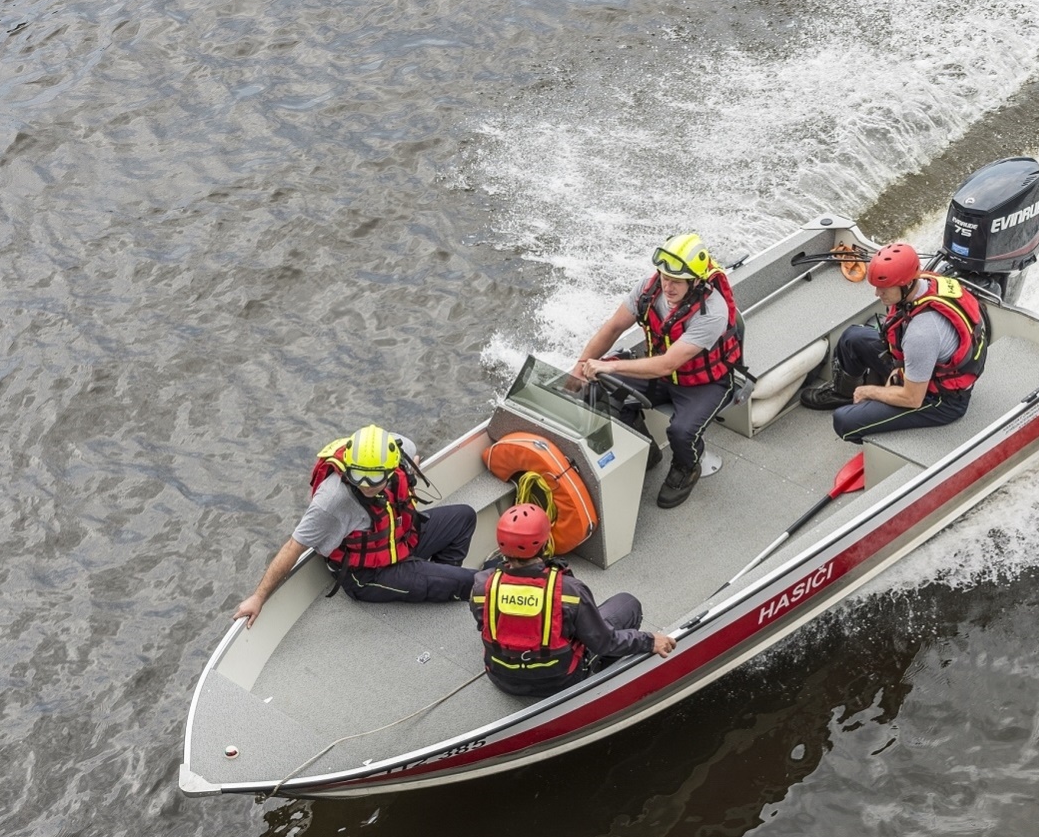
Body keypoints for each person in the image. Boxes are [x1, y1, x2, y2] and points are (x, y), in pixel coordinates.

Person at [233, 424, 479, 627]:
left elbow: (412, 457)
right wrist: (258, 597)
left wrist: (411, 470)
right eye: (358, 476)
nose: (365, 485)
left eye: (374, 478)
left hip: (399, 542)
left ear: (391, 466)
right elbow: (292, 547)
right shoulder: (331, 501)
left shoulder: (400, 450)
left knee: (464, 517)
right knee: (474, 582)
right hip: (367, 576)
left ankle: (440, 580)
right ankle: (444, 582)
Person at [572, 232, 743, 509]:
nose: (668, 286)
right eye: (665, 277)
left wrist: (610, 364)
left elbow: (668, 363)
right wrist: (580, 366)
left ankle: (687, 467)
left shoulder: (712, 312)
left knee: (682, 432)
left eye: (677, 281)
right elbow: (613, 328)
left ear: (695, 281)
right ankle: (644, 448)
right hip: (660, 375)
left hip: (704, 383)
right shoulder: (647, 289)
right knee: (598, 387)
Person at [472, 504, 675, 697]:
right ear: (545, 543)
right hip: (560, 682)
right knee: (628, 604)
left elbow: (486, 622)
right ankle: (602, 670)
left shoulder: (482, 585)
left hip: (501, 679)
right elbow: (604, 642)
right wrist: (649, 641)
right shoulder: (569, 590)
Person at [799, 241, 988, 441]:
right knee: (852, 338)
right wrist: (899, 368)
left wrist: (870, 391)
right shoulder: (923, 283)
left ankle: (878, 435)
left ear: (905, 284)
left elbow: (912, 398)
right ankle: (843, 394)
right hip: (922, 362)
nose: (877, 293)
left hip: (940, 398)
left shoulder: (922, 333)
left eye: (884, 289)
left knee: (844, 422)